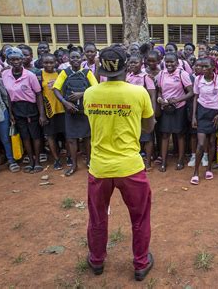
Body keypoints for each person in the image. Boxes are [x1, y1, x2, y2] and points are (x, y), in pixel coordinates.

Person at [83, 45, 155, 281]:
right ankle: (141, 263)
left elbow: (92, 121)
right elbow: (149, 126)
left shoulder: (90, 93)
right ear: (127, 67)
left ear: (101, 68)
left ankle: (96, 261)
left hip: (100, 167)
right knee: (140, 217)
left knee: (97, 217)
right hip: (130, 167)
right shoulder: (139, 93)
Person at [53, 49, 98, 176]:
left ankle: (89, 161)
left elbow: (96, 88)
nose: (75, 60)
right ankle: (74, 164)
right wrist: (65, 102)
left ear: (81, 58)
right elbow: (56, 88)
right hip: (70, 110)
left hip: (85, 111)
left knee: (87, 138)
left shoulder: (87, 73)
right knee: (71, 139)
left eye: (77, 57)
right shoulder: (64, 73)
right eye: (72, 57)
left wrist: (82, 93)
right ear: (68, 59)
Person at [2, 47, 47, 173]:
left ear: (22, 60)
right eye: (12, 59)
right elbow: (7, 96)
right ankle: (30, 161)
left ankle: (37, 161)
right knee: (24, 136)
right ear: (8, 61)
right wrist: (10, 113)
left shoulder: (30, 75)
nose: (15, 62)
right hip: (16, 108)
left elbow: (38, 94)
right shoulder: (5, 75)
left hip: (31, 107)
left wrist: (42, 114)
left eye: (18, 59)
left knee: (35, 135)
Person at [190, 57, 218, 185]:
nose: (203, 69)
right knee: (201, 144)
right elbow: (195, 97)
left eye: (206, 67)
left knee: (212, 142)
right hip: (202, 112)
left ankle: (209, 168)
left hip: (215, 113)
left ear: (213, 68)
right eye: (202, 66)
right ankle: (195, 172)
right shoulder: (198, 79)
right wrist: (194, 116)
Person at [155, 52, 194, 172]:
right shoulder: (161, 74)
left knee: (179, 134)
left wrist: (177, 100)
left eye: (172, 62)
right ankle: (164, 162)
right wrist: (161, 99)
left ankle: (181, 160)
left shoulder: (183, 74)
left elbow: (191, 92)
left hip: (179, 108)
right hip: (166, 108)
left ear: (177, 63)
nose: (169, 64)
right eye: (167, 62)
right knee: (165, 134)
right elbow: (160, 91)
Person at [0, 55, 20, 177]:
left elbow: (6, 97)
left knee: (5, 138)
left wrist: (11, 113)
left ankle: (11, 160)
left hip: (1, 112)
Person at [39, 53, 66, 170]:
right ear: (42, 63)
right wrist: (42, 114)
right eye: (46, 62)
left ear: (56, 62)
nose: (49, 64)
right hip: (49, 111)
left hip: (62, 109)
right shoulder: (39, 75)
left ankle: (69, 156)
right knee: (51, 136)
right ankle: (56, 159)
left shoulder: (60, 73)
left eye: (51, 62)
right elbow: (39, 95)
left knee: (67, 135)